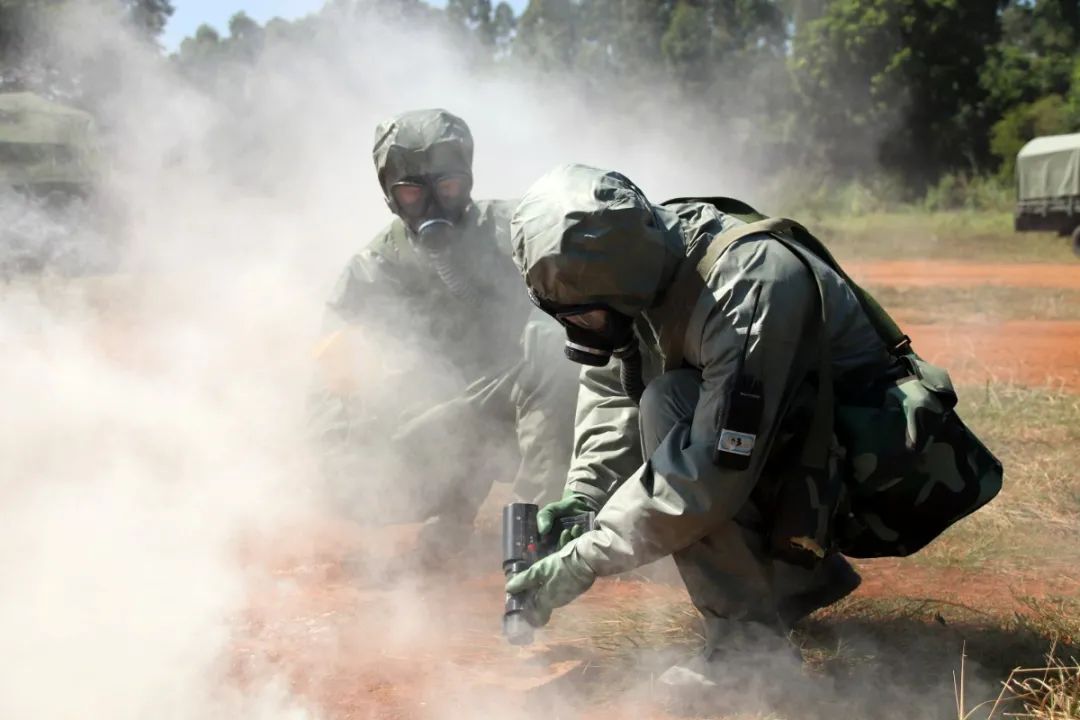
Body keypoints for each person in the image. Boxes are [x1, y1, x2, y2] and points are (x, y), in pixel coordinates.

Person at [504, 164, 889, 685]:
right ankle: (787, 585)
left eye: (585, 318)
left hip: (867, 462)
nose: (578, 329)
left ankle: (749, 654)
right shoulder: (637, 260)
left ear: (622, 285)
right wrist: (585, 495)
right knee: (664, 402)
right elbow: (615, 382)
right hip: (793, 446)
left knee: (667, 406)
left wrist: (586, 559)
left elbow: (711, 469)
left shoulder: (747, 287)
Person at [309, 110, 578, 558]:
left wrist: (549, 317)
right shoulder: (373, 270)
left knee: (555, 352)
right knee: (345, 474)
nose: (433, 205)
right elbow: (331, 377)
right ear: (390, 196)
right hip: (454, 418)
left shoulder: (515, 230)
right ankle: (455, 505)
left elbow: (586, 285)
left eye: (447, 187)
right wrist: (338, 465)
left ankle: (537, 532)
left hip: (539, 400)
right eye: (413, 193)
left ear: (468, 181)